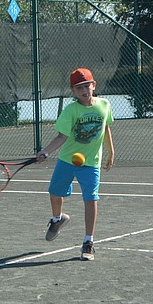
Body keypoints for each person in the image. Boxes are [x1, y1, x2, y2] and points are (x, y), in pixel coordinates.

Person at [36, 68, 114, 261]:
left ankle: (88, 241)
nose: (84, 91)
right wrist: (46, 151)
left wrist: (111, 152)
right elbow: (62, 135)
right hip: (67, 160)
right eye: (79, 88)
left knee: (91, 198)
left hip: (91, 163)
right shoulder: (71, 110)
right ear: (73, 91)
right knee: (55, 192)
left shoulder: (104, 105)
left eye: (87, 86)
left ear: (94, 85)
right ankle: (57, 219)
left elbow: (106, 128)